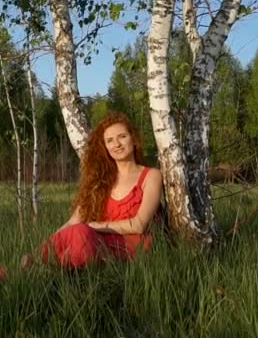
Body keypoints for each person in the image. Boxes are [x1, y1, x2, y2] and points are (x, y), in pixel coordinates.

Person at [20, 111, 164, 270]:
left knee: (81, 233)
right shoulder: (101, 181)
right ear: (105, 147)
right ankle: (34, 264)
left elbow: (138, 225)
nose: (116, 144)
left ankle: (48, 269)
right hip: (97, 246)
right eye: (109, 140)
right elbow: (73, 222)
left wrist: (93, 226)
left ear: (133, 139)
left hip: (131, 251)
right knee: (77, 232)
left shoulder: (151, 176)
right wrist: (38, 250)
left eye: (122, 136)